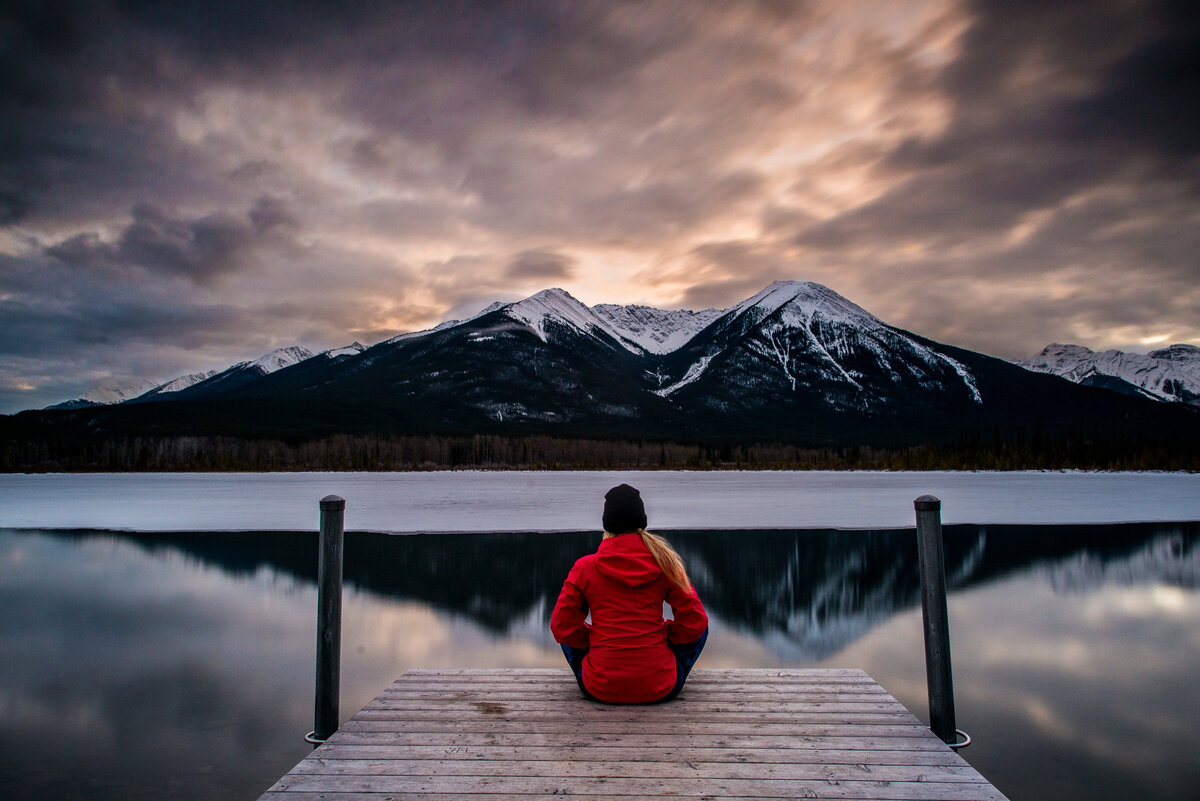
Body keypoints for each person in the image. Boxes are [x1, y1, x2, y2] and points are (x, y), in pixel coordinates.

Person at [550, 483, 708, 704]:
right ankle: (658, 667)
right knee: (703, 628)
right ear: (642, 522)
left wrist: (597, 640)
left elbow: (561, 627)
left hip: (600, 687)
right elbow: (695, 623)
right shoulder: (665, 564)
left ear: (607, 524)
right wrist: (664, 633)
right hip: (660, 686)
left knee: (565, 634)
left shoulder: (585, 568)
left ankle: (601, 665)